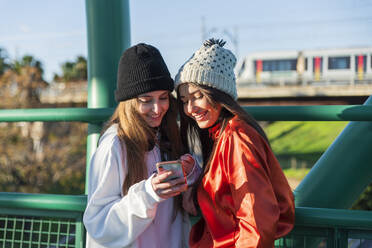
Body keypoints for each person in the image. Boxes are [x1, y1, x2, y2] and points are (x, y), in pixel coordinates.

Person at [175, 38, 295, 248]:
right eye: (185, 101)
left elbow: (256, 224)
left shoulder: (236, 137)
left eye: (197, 96)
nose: (190, 108)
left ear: (219, 94)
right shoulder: (221, 135)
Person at [83, 43, 201, 248]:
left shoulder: (169, 135)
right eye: (146, 100)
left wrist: (190, 174)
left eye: (163, 98)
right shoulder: (114, 145)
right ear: (128, 103)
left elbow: (186, 207)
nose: (157, 109)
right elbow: (98, 224)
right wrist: (148, 193)